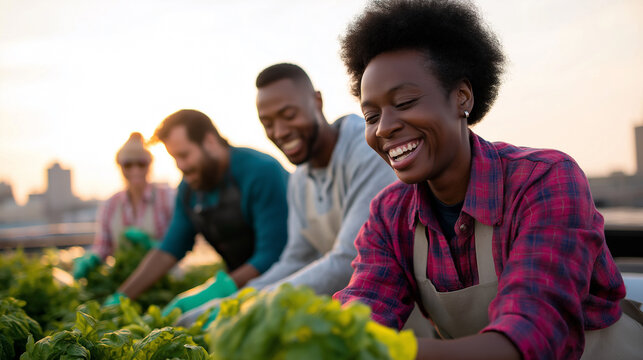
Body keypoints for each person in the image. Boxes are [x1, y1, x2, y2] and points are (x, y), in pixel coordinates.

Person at [333, 1, 643, 359]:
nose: (384, 127)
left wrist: (387, 352)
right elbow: (363, 310)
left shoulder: (545, 180)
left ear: (461, 97)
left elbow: (530, 335)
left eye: (405, 102)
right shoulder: (389, 215)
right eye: (371, 116)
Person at [169, 63, 397, 324]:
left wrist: (250, 306)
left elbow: (349, 259)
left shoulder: (365, 150)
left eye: (288, 115)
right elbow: (296, 260)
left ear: (317, 101)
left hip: (402, 323)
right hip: (353, 326)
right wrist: (232, 301)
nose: (279, 132)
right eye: (267, 123)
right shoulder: (300, 179)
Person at [104, 109, 289, 305]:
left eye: (184, 155)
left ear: (209, 142)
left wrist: (218, 290)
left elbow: (273, 254)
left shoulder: (260, 173)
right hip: (243, 289)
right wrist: (121, 296)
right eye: (175, 158)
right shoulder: (188, 190)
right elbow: (169, 249)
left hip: (288, 283)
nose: (180, 166)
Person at [72, 132, 175, 279]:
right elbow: (103, 247)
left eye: (141, 164)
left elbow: (180, 241)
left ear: (149, 165)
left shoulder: (167, 197)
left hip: (166, 277)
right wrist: (92, 259)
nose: (135, 170)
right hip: (124, 278)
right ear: (120, 167)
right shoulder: (111, 205)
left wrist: (153, 245)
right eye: (128, 164)